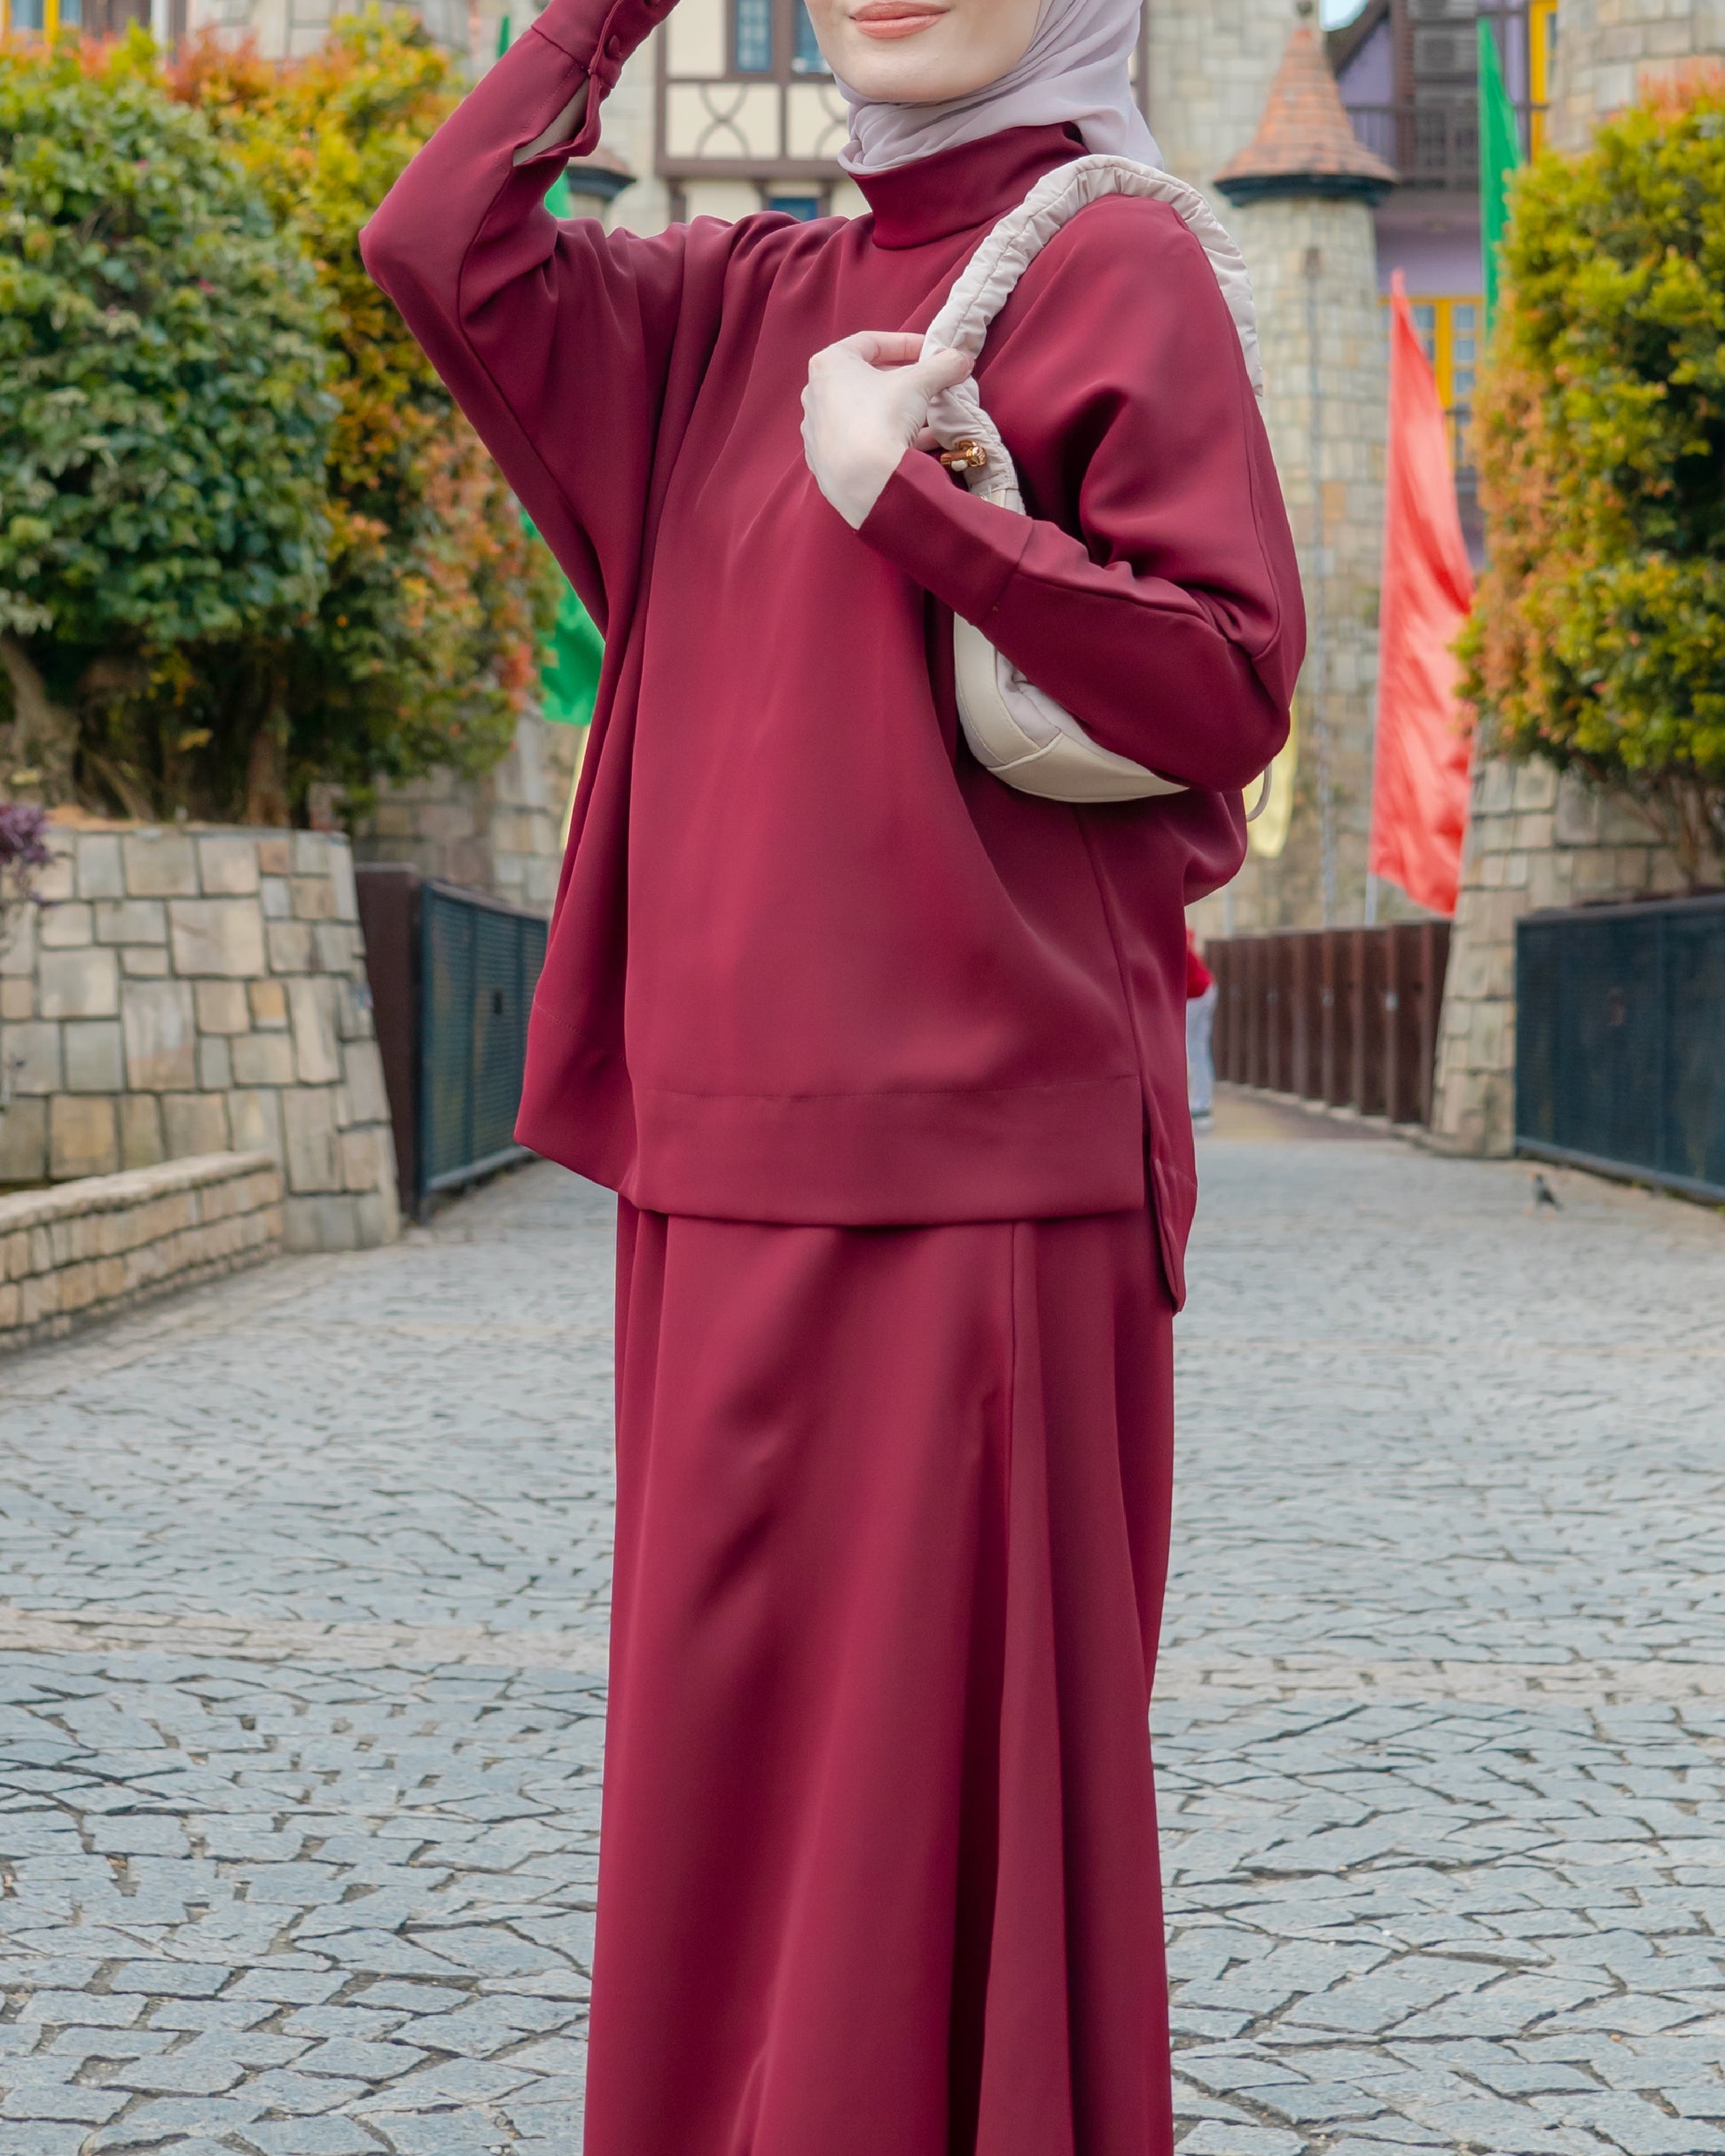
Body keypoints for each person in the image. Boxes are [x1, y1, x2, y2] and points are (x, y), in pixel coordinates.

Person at [362, 0, 1302, 2142]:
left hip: (985, 1199)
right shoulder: (730, 298)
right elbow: (435, 243)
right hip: (714, 1181)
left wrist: (920, 509)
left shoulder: (1113, 258)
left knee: (914, 1849)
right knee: (718, 1828)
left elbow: (1229, 683)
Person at [1186, 926, 1219, 1128]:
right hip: (1204, 989)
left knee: (1194, 1048)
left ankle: (1202, 1101)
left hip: (1196, 994)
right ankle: (1202, 1100)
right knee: (1197, 1048)